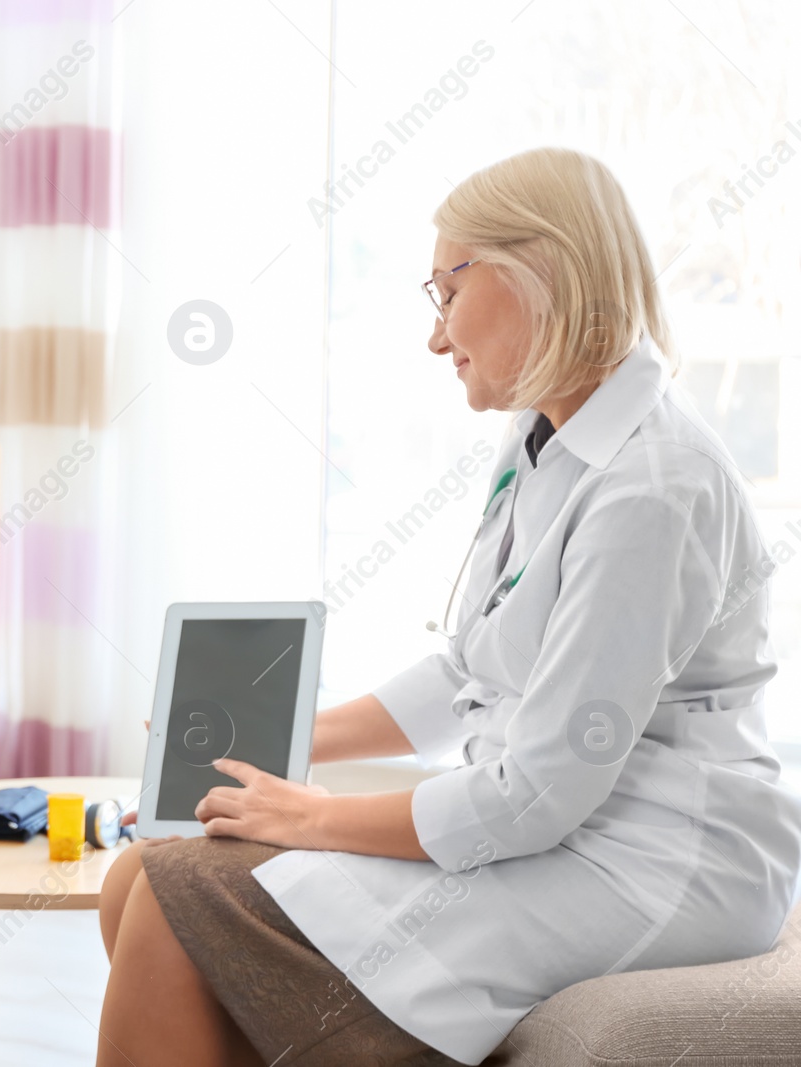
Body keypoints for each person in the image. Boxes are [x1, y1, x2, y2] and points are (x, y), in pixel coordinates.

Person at [96, 147, 801, 1066]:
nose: (436, 337)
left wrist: (306, 814)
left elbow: (537, 795)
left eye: (446, 293)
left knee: (168, 896)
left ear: (540, 274)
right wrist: (281, 735)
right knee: (133, 885)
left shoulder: (653, 487)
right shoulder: (544, 436)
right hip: (578, 819)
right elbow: (470, 666)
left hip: (656, 858)